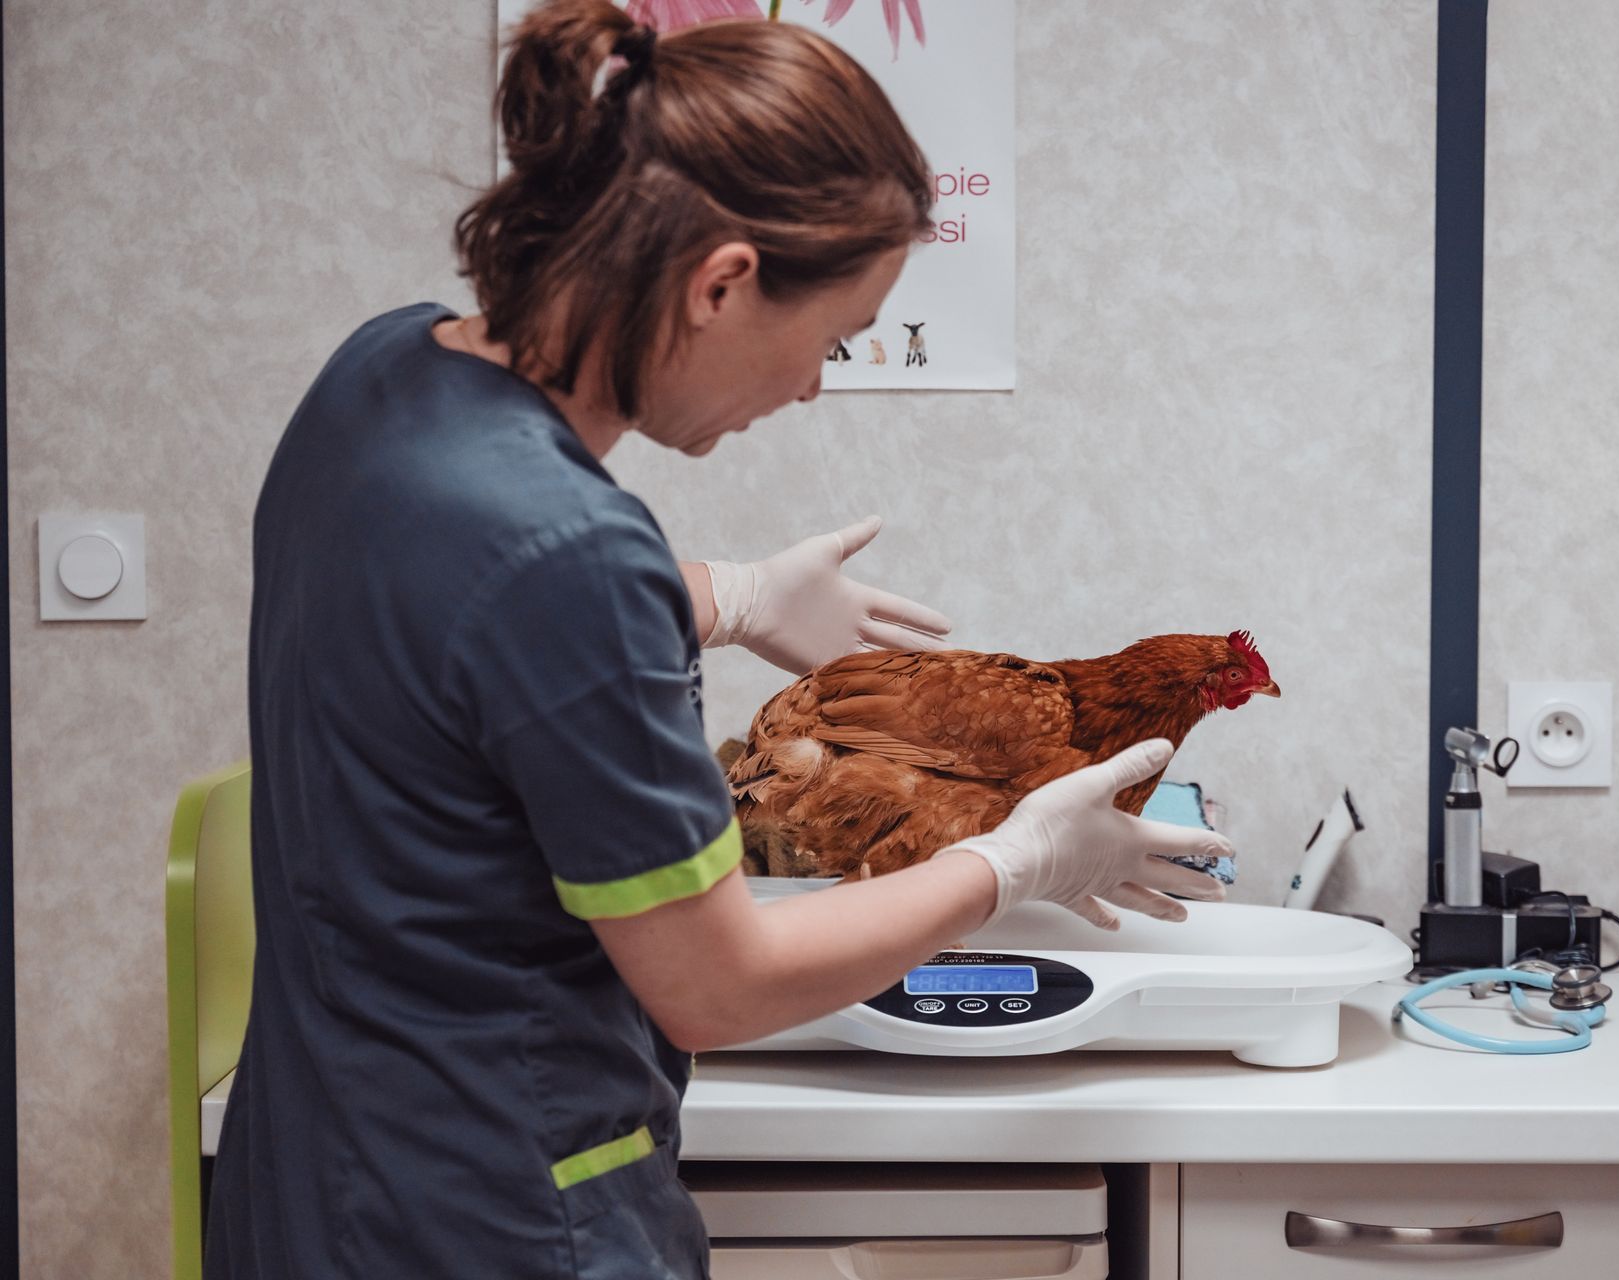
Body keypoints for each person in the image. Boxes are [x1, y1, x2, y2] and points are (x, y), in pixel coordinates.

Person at [205, 4, 1231, 1277]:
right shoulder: (573, 557)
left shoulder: (376, 378)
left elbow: (443, 609)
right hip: (496, 1212)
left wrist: (728, 594)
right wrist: (1015, 861)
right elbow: (721, 981)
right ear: (723, 282)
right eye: (831, 339)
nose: (813, 385)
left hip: (313, 1175)